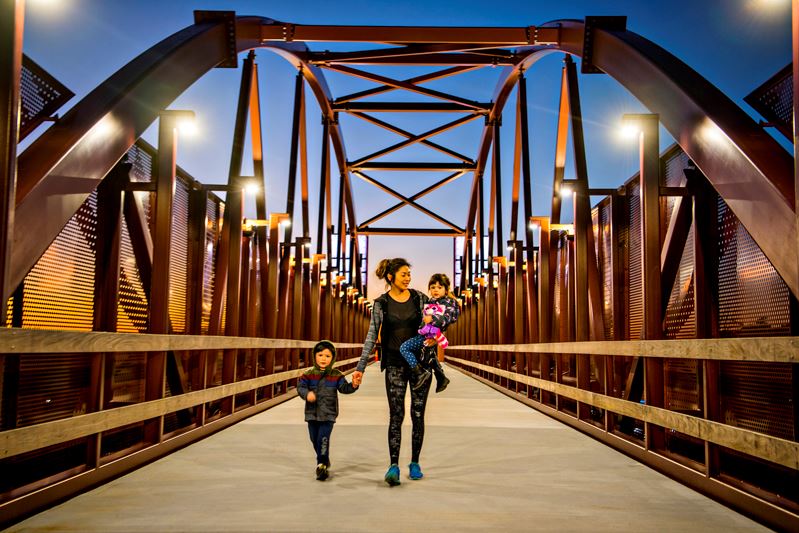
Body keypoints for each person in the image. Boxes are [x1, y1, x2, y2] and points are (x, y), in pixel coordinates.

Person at [351, 258, 433, 486]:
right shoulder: (381, 304)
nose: (408, 278)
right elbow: (371, 335)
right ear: (391, 277)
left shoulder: (420, 299)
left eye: (409, 274)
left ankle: (415, 462)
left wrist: (436, 336)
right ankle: (394, 465)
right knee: (396, 415)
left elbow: (437, 322)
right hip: (395, 364)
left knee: (418, 415)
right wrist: (360, 368)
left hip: (420, 366)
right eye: (403, 274)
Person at [297, 340, 359, 481]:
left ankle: (322, 465)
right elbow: (300, 387)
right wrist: (307, 394)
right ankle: (323, 459)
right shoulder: (308, 374)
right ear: (314, 356)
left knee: (323, 439)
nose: (323, 359)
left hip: (328, 414)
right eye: (320, 355)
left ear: (332, 358)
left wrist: (354, 385)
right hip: (312, 413)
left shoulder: (336, 375)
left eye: (327, 356)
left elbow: (344, 388)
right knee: (314, 439)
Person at [399, 273, 459, 393]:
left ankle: (420, 373)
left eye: (439, 287)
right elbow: (424, 319)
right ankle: (441, 377)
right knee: (429, 355)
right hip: (426, 333)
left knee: (404, 348)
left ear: (446, 290)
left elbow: (449, 318)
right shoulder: (431, 301)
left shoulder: (449, 302)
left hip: (432, 334)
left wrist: (433, 319)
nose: (435, 290)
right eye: (433, 287)